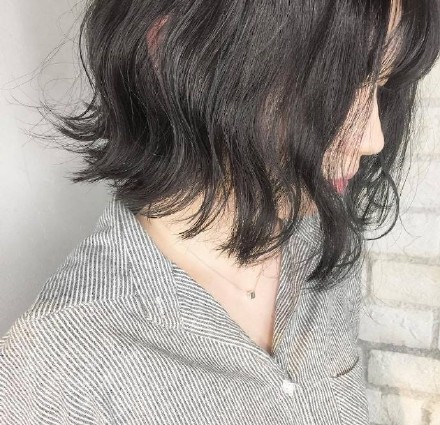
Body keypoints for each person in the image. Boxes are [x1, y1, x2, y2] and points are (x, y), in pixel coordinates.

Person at [1, 0, 439, 424]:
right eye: (334, 87)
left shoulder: (319, 244)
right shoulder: (57, 373)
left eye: (381, 85)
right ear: (176, 51)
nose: (373, 138)